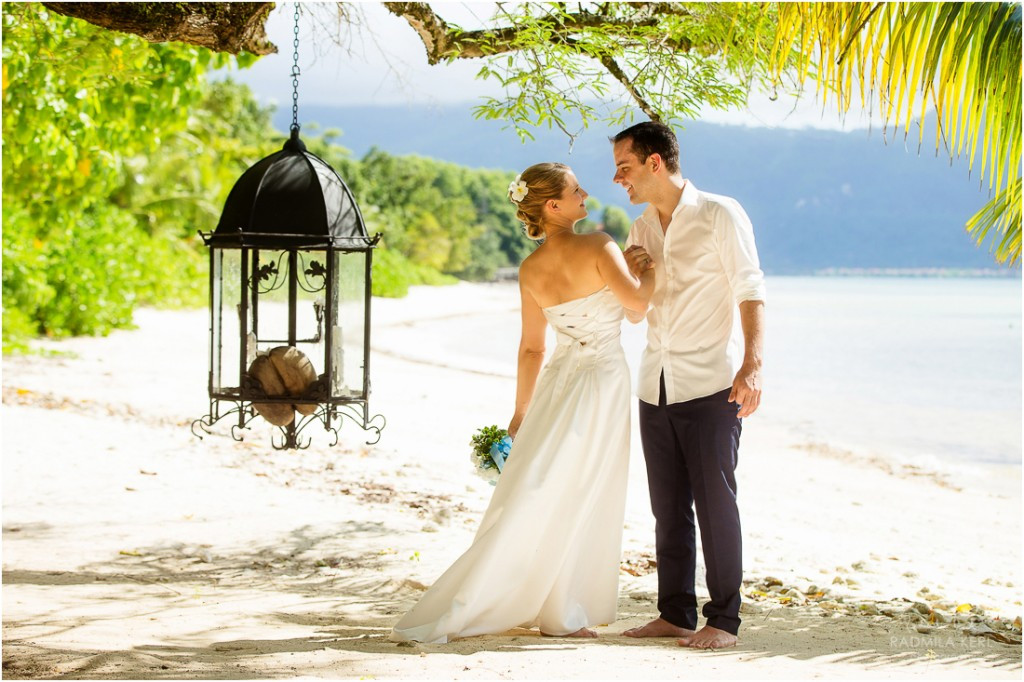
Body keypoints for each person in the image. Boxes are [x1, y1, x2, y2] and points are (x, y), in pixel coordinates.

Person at [390, 163, 655, 643]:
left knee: (544, 486)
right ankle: (561, 611)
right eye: (577, 189)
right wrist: (648, 269)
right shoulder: (599, 245)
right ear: (552, 205)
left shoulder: (530, 269)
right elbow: (637, 306)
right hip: (601, 381)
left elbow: (533, 349)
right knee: (583, 486)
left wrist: (520, 413)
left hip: (558, 383)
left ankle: (542, 600)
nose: (586, 192)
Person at [612, 121, 766, 650]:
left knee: (716, 504)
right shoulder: (639, 230)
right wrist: (636, 277)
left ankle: (724, 619)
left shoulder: (720, 213)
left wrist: (754, 364)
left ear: (656, 162)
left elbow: (751, 289)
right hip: (654, 385)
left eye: (625, 167)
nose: (618, 179)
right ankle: (674, 612)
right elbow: (635, 316)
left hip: (711, 386)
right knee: (668, 506)